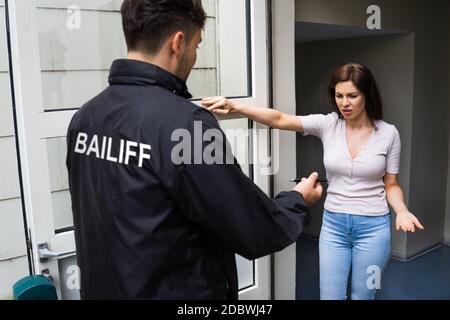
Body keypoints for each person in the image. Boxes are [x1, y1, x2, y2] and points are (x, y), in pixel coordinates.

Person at [66, 0, 323, 300]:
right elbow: (253, 229)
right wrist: (297, 201)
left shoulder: (85, 117)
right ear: (178, 42)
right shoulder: (184, 124)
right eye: (197, 45)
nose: (195, 55)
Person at [202, 63, 425, 300]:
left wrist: (401, 210)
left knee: (364, 296)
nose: (344, 103)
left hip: (373, 229)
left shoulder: (389, 134)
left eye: (352, 96)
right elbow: (279, 119)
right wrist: (235, 106)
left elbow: (391, 183)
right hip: (334, 227)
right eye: (339, 96)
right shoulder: (328, 124)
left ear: (367, 95)